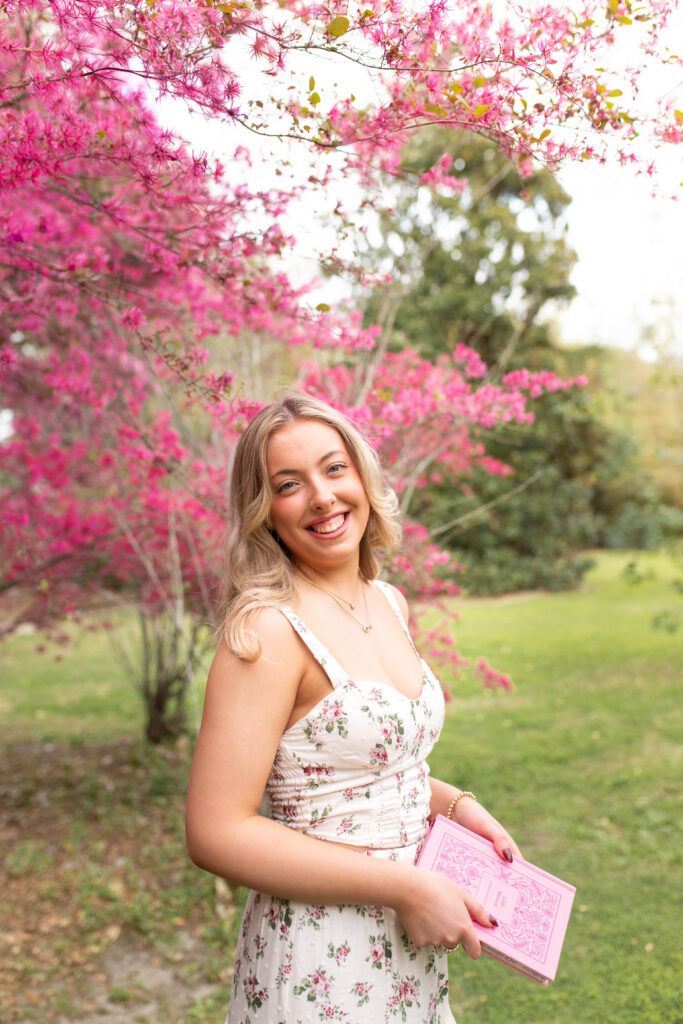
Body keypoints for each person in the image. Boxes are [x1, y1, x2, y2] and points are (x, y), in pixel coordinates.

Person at [185, 391, 521, 1023]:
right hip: (320, 960)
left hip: (410, 948)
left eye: (334, 468)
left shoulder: (387, 601)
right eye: (289, 484)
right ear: (264, 511)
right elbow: (215, 832)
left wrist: (456, 806)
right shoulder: (267, 632)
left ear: (361, 475)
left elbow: (368, 775)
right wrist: (405, 886)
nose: (322, 496)